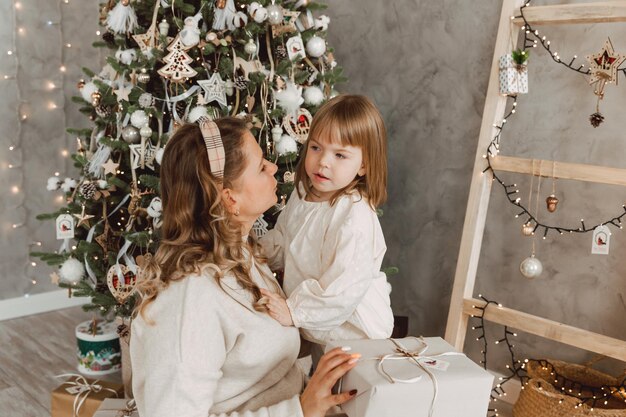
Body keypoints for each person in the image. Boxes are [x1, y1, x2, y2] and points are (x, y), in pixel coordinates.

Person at [130, 117, 360, 417]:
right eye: (262, 166)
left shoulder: (242, 254)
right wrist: (300, 410)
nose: (274, 168)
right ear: (229, 197)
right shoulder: (191, 299)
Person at [259, 95, 394, 359]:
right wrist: (255, 252)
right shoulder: (303, 193)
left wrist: (294, 311)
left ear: (363, 166)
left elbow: (343, 289)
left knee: (346, 392)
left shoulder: (354, 216)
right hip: (315, 324)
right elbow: (286, 238)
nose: (323, 162)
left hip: (355, 333)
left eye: (340, 155)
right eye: (316, 148)